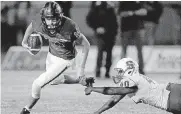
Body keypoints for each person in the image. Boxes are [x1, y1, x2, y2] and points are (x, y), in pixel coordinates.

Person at [20, 2, 94, 114]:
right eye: (49, 19)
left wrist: (81, 69)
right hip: (52, 54)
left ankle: (26, 109)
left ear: (60, 16)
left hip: (65, 59)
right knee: (54, 81)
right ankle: (80, 81)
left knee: (37, 84)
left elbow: (86, 44)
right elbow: (32, 25)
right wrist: (24, 41)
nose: (53, 22)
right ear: (44, 19)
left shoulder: (69, 27)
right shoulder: (39, 21)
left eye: (55, 18)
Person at [85, 57, 181, 114]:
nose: (118, 74)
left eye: (120, 71)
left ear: (129, 70)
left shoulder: (131, 80)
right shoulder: (136, 78)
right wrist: (98, 112)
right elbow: (114, 99)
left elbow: (113, 91)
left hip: (171, 99)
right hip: (173, 92)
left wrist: (93, 88)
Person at [86, 1, 118, 78]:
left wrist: (110, 30)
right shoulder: (95, 5)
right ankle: (98, 71)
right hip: (100, 34)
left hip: (110, 33)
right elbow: (90, 19)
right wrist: (96, 28)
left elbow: (113, 20)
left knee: (109, 53)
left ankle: (107, 71)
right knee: (100, 52)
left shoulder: (110, 5)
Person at [118, 1, 146, 74]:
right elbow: (121, 13)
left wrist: (131, 13)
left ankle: (141, 69)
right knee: (124, 50)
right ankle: (122, 69)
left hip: (138, 28)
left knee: (140, 50)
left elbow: (144, 11)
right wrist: (136, 12)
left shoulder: (140, 1)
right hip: (125, 29)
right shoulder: (123, 2)